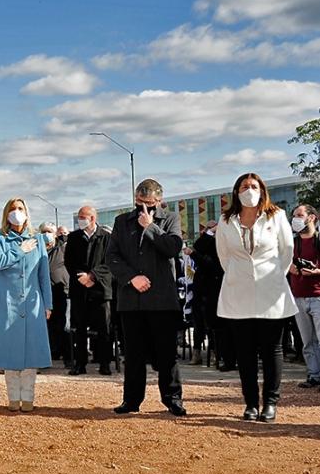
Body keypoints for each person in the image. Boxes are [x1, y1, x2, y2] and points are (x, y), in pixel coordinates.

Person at [216, 173, 297, 422]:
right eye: (244, 186)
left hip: (270, 290)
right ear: (236, 191)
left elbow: (287, 251)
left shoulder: (277, 215)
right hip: (238, 292)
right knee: (245, 352)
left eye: (253, 186)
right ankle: (251, 403)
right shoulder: (226, 220)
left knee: (272, 349)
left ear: (262, 190)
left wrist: (271, 276)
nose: (249, 190)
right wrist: (238, 274)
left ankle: (270, 403)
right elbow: (224, 255)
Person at [107, 179, 187, 417]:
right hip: (131, 299)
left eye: (150, 205)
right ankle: (131, 400)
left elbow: (173, 248)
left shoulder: (170, 219)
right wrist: (132, 278)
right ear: (134, 199)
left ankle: (172, 398)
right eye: (140, 203)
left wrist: (151, 227)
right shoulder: (122, 222)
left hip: (162, 299)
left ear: (159, 201)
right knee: (133, 354)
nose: (144, 209)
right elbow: (112, 256)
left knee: (166, 354)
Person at [0, 199, 52, 411]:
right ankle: (13, 397)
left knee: (31, 350)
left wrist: (48, 303)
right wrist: (20, 250)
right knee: (10, 350)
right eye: (13, 209)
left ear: (26, 213)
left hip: (32, 302)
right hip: (7, 302)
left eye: (20, 209)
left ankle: (28, 397)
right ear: (6, 214)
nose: (17, 213)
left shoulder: (39, 239)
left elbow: (43, 275)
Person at [64, 205, 114, 376]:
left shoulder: (106, 237)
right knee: (79, 328)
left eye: (82, 217)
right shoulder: (73, 237)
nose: (80, 220)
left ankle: (105, 362)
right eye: (79, 217)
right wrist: (81, 276)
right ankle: (80, 363)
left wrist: (92, 276)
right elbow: (69, 261)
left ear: (92, 218)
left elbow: (110, 262)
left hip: (100, 290)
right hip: (79, 289)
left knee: (104, 328)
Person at [190, 221, 232, 370]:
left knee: (214, 324)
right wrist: (208, 233)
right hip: (200, 290)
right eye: (207, 228)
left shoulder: (220, 244)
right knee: (198, 323)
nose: (210, 230)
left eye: (213, 228)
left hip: (215, 289)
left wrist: (194, 254)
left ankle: (216, 353)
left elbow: (210, 264)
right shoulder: (204, 242)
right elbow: (198, 247)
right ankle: (197, 353)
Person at [289, 204, 320, 389]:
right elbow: (281, 262)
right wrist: (289, 267)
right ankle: (313, 375)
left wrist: (315, 271)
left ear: (312, 217)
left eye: (299, 215)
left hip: (317, 295)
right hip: (298, 296)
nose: (296, 219)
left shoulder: (318, 240)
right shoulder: (292, 243)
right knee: (307, 340)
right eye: (294, 215)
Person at [40, 222, 72, 369]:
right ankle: (49, 355)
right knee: (47, 326)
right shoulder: (38, 249)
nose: (46, 234)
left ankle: (69, 358)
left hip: (61, 292)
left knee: (64, 325)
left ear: (54, 234)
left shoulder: (64, 248)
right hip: (44, 294)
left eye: (49, 231)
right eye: (44, 231)